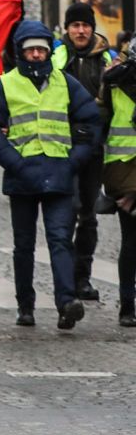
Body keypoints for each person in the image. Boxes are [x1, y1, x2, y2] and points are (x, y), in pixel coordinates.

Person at [0, 19, 104, 329]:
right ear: (21, 52)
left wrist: (74, 161)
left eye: (41, 50)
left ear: (49, 52)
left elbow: (90, 123)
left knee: (60, 239)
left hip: (59, 173)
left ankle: (66, 302)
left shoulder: (66, 83)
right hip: (21, 175)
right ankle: (26, 305)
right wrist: (13, 161)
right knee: (23, 245)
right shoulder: (6, 84)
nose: (36, 55)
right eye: (30, 50)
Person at [53, 2, 116, 302]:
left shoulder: (108, 58)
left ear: (92, 28)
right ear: (67, 29)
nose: (80, 30)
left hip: (94, 148)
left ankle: (82, 278)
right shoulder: (55, 57)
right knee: (67, 213)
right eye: (75, 25)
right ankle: (65, 280)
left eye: (85, 25)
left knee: (88, 216)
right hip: (61, 147)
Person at [98, 43, 136, 326]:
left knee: (130, 243)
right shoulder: (113, 84)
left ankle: (127, 306)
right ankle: (127, 304)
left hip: (121, 172)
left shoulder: (113, 82)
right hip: (126, 174)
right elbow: (101, 123)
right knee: (131, 242)